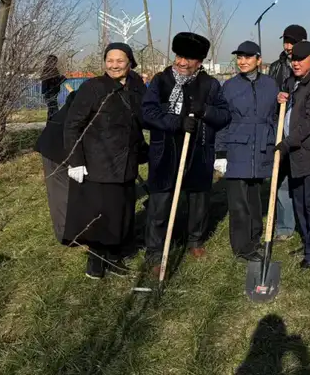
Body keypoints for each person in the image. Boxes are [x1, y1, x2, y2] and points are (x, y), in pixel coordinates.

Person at [142, 32, 231, 273]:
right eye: (179, 56)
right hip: (165, 152)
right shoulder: (161, 81)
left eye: (188, 59)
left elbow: (224, 116)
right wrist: (176, 122)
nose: (182, 62)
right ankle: (155, 250)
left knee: (198, 200)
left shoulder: (210, 85)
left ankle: (195, 240)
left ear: (199, 62)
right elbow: (147, 113)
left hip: (198, 151)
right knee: (160, 203)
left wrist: (204, 111)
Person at [63, 43, 147, 279]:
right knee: (98, 214)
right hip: (98, 162)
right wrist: (75, 160)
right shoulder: (93, 87)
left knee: (122, 212)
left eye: (119, 60)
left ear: (130, 62)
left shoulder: (137, 87)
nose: (114, 65)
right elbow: (72, 125)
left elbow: (143, 120)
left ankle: (115, 256)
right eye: (110, 60)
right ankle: (96, 258)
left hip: (127, 162)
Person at [215, 41, 279, 260]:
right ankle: (242, 247)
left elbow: (276, 116)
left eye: (248, 57)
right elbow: (222, 121)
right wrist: (221, 152)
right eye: (240, 57)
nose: (242, 61)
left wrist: (275, 141)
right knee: (238, 200)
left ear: (259, 60)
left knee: (254, 197)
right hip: (237, 147)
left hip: (261, 147)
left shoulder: (271, 85)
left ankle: (254, 237)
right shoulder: (229, 86)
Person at [269, 24, 310, 241]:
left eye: (292, 43)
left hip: (306, 146)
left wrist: (289, 142)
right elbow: (283, 98)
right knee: (291, 191)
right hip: (288, 140)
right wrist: (280, 97)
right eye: (286, 42)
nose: (289, 48)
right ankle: (294, 232)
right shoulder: (281, 72)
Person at [35, 89, 78, 244]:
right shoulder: (92, 96)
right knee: (61, 192)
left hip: (66, 143)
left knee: (72, 190)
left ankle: (76, 229)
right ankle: (66, 235)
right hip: (55, 147)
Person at [41, 54, 66, 120]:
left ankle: (50, 123)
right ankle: (55, 123)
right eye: (55, 61)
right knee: (54, 109)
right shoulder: (51, 70)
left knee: (51, 109)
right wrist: (62, 78)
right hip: (51, 92)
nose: (56, 63)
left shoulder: (46, 69)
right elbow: (55, 83)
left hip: (48, 92)